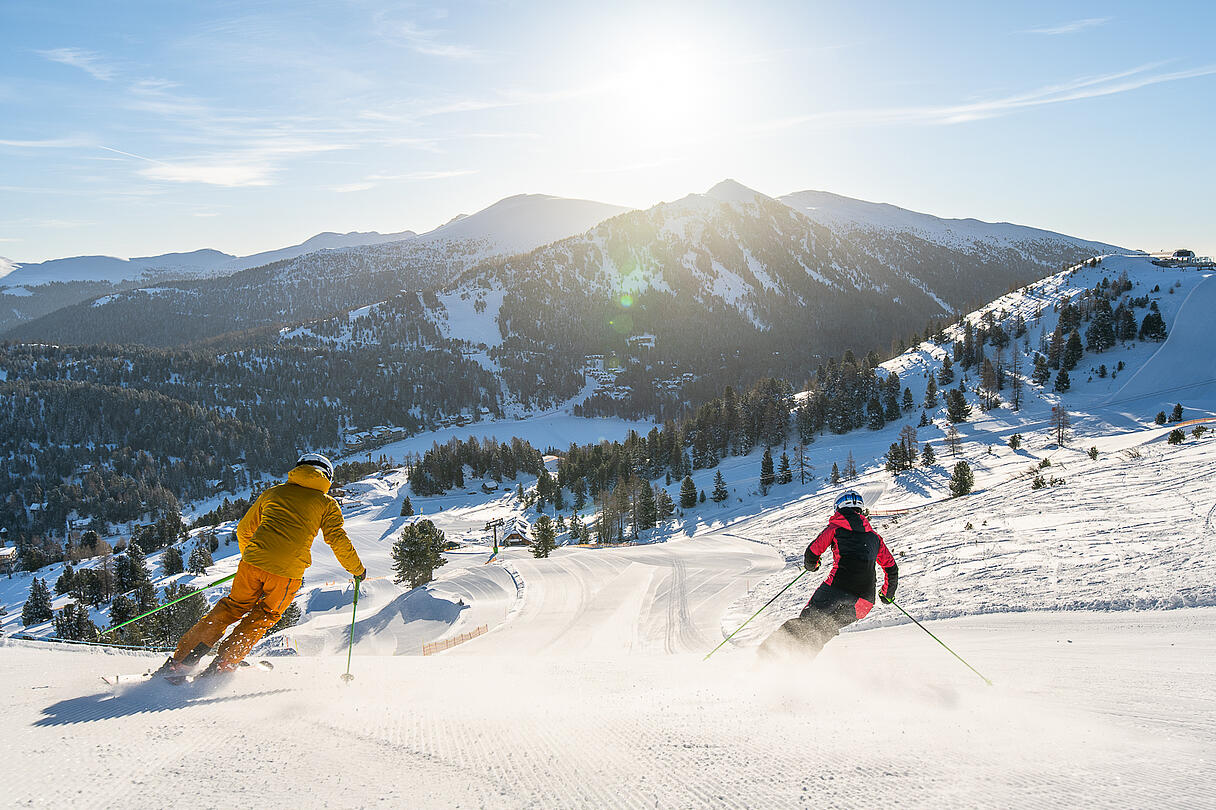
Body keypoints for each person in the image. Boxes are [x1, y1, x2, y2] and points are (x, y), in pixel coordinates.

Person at [158, 453, 367, 679]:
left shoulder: (273, 493)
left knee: (231, 608)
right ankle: (225, 661)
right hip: (287, 574)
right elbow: (337, 539)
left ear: (299, 469)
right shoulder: (327, 504)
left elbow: (243, 530)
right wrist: (357, 570)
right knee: (265, 614)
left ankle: (181, 661)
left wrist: (254, 558)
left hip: (252, 564)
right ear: (327, 476)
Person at [759, 489, 898, 659]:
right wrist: (887, 594)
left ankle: (765, 657)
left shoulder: (835, 528)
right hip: (863, 602)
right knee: (824, 630)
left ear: (838, 508)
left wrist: (813, 565)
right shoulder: (875, 538)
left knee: (807, 622)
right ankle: (796, 667)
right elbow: (891, 568)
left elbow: (811, 553)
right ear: (861, 510)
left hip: (836, 589)